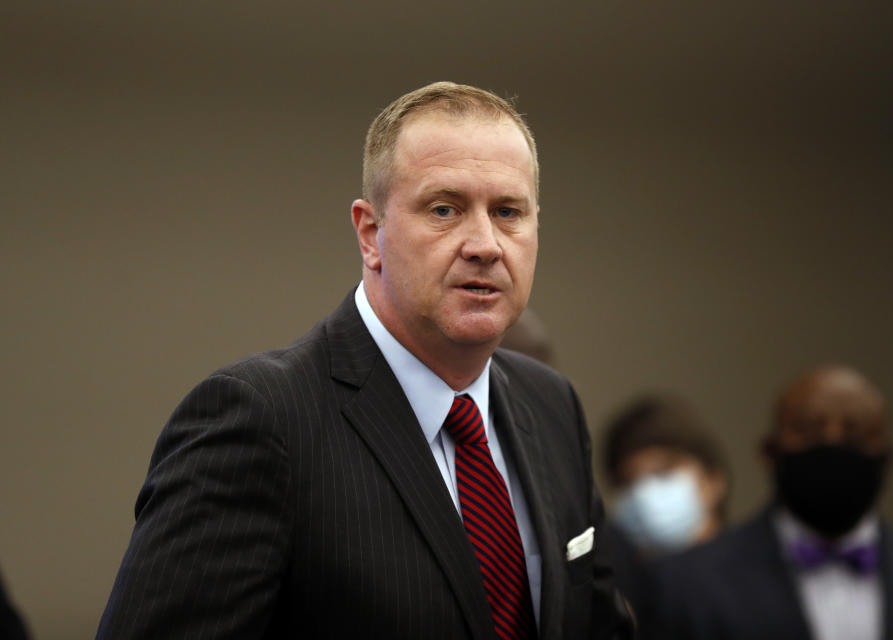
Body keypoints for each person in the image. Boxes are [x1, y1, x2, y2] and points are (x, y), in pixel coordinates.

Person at [97, 82, 632, 639]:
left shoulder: (552, 408)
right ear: (371, 234)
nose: (485, 244)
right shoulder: (261, 420)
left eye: (508, 212)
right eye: (445, 208)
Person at [637, 364, 893, 640]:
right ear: (769, 453)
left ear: (886, 459)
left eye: (855, 435)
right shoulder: (685, 588)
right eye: (809, 433)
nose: (833, 445)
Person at [599, 395, 729, 614]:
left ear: (713, 480)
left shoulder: (763, 582)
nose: (643, 494)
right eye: (627, 482)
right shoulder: (614, 604)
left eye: (663, 473)